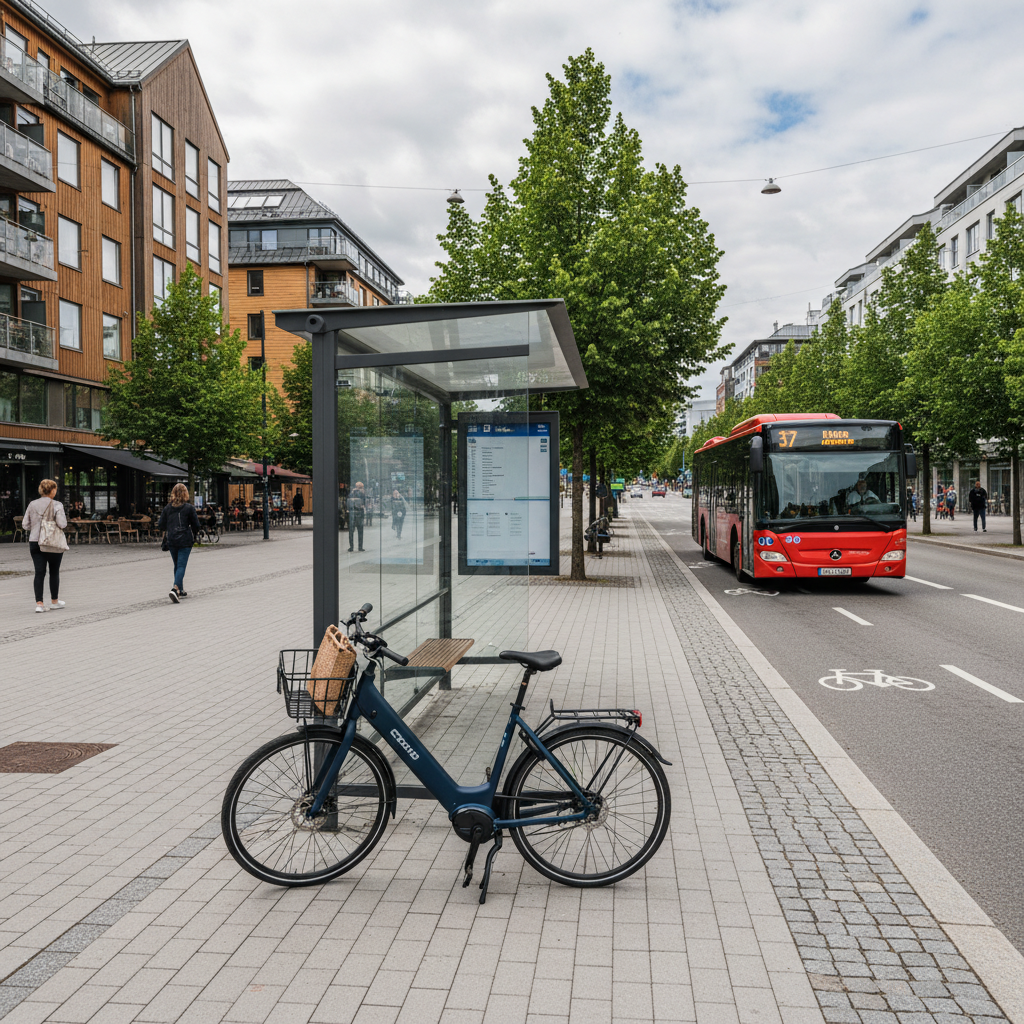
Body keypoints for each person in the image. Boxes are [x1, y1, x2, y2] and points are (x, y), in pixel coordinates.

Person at [22, 479, 67, 613]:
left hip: (35, 541)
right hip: (52, 542)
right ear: (52, 490)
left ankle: (39, 604)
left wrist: (36, 527)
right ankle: (54, 601)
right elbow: (62, 524)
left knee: (39, 572)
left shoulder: (32, 504)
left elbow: (25, 524)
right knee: (54, 571)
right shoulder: (57, 505)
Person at [158, 483, 201, 603]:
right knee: (181, 565)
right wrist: (195, 534)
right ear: (185, 494)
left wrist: (170, 526)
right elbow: (196, 525)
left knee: (177, 564)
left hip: (172, 539)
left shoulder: (167, 508)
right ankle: (175, 588)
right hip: (185, 540)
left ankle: (180, 589)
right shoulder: (189, 508)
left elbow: (160, 525)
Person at [348, 480, 366, 552]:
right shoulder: (362, 493)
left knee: (351, 531)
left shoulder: (352, 493)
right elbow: (364, 504)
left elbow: (348, 501)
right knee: (360, 530)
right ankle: (360, 547)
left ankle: (351, 547)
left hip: (352, 513)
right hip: (359, 513)